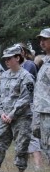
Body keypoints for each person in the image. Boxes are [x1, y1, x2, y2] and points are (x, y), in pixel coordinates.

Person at [0, 45, 34, 172]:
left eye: (9, 58)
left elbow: (25, 98)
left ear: (17, 58)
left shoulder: (26, 77)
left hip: (21, 117)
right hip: (4, 116)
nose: (6, 61)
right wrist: (1, 113)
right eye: (5, 59)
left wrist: (12, 114)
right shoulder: (4, 76)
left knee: (21, 145)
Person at [34, 28, 50, 157]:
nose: (42, 42)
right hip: (42, 109)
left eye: (45, 39)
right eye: (41, 39)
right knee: (45, 143)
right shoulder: (44, 61)